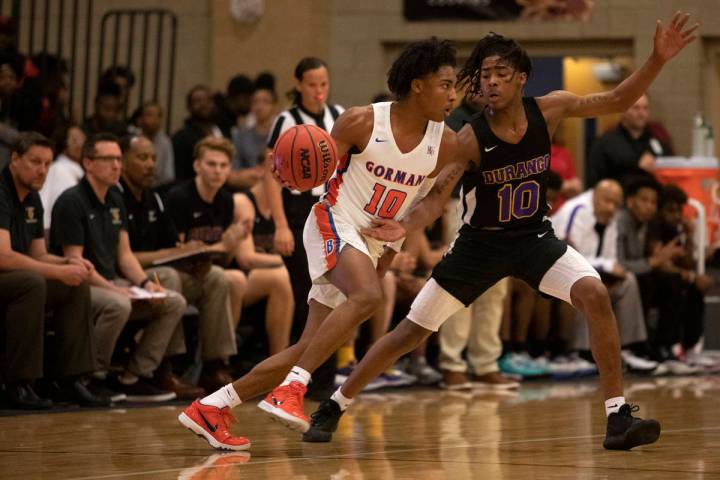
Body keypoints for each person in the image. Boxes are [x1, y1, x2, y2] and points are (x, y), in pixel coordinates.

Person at [304, 13, 697, 450]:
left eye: (500, 74)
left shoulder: (550, 109)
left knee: (595, 293)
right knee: (410, 332)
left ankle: (617, 416)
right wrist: (406, 223)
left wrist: (658, 59)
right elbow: (436, 199)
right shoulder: (468, 138)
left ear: (521, 79)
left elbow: (619, 98)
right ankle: (335, 403)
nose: (490, 82)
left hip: (533, 239)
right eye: (484, 75)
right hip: (480, 246)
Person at [178, 38, 459, 450]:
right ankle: (291, 391)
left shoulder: (445, 143)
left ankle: (213, 406)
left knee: (309, 345)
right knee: (367, 296)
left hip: (374, 242)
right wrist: (290, 175)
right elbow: (312, 166)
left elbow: (430, 200)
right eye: (446, 84)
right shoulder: (362, 122)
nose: (454, 95)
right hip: (333, 219)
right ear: (417, 85)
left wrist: (400, 236)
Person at [50, 133, 186, 402]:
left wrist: (146, 286)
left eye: (118, 159)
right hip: (77, 284)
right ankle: (92, 376)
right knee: (118, 304)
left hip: (111, 280)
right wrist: (114, 289)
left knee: (172, 301)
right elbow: (74, 262)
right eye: (108, 159)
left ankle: (134, 375)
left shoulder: (114, 199)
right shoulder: (72, 201)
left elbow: (125, 256)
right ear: (88, 163)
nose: (116, 166)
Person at [118, 135, 237, 397]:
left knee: (217, 277)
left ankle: (214, 365)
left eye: (152, 158)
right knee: (169, 277)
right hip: (127, 277)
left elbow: (175, 247)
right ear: (123, 161)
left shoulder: (153, 199)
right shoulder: (119, 198)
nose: (150, 164)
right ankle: (166, 368)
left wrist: (198, 259)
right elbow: (125, 257)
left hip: (164, 272)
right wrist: (177, 253)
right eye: (142, 158)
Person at [0, 132, 108, 409]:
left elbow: (38, 254)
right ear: (14, 159)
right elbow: (4, 257)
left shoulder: (33, 198)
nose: (42, 170)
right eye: (35, 162)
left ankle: (71, 379)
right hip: (9, 274)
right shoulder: (2, 192)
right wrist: (56, 272)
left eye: (48, 164)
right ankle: (18, 383)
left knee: (75, 283)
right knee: (33, 283)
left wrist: (68, 263)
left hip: (17, 276)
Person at [551, 179, 657, 373]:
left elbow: (611, 258)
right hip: (558, 269)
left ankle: (626, 348)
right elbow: (568, 254)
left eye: (616, 204)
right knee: (588, 286)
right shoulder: (575, 210)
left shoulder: (612, 217)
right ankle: (580, 352)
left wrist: (608, 269)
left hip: (591, 270)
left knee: (628, 282)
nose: (611, 208)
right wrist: (605, 266)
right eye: (607, 201)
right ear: (594, 196)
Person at [586, 93, 674, 188]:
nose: (642, 114)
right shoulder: (606, 143)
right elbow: (594, 181)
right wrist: (636, 166)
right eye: (636, 108)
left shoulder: (658, 139)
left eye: (645, 108)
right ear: (622, 110)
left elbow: (672, 168)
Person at [172, 85, 225, 182]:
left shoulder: (224, 132)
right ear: (189, 107)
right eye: (198, 101)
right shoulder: (181, 138)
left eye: (208, 100)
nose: (204, 105)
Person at [39, 124, 86, 228]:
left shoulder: (78, 171)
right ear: (64, 144)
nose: (80, 144)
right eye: (74, 140)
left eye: (82, 139)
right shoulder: (61, 170)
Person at [130, 101, 175, 188]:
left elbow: (168, 175)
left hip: (159, 188)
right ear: (139, 119)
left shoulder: (165, 142)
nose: (155, 119)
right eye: (150, 115)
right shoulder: (132, 140)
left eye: (158, 116)